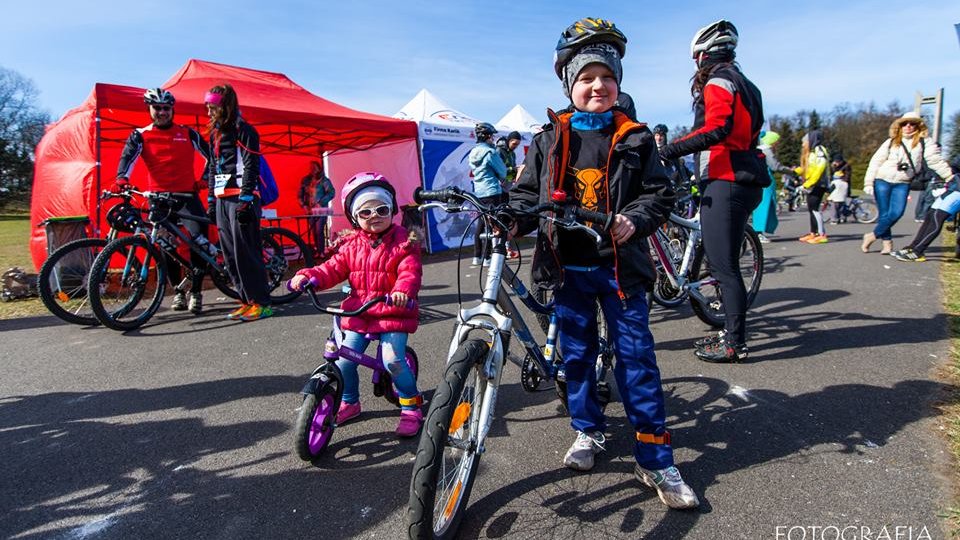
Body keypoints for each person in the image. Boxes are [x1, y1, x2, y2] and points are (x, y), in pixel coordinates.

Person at [510, 16, 697, 510]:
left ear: (619, 84)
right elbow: (527, 195)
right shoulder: (549, 138)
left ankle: (655, 458)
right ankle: (587, 431)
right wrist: (508, 221)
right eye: (587, 78)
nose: (597, 86)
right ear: (569, 83)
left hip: (621, 270)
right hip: (567, 268)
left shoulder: (635, 138)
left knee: (637, 361)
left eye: (607, 77)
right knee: (575, 357)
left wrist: (634, 220)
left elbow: (659, 195)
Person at [659, 19, 767, 364]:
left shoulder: (719, 81)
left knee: (724, 268)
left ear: (703, 56)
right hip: (742, 179)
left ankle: (734, 343)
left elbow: (717, 128)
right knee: (725, 262)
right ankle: (730, 331)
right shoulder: (748, 85)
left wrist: (665, 150)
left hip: (727, 178)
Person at [288, 172, 424, 436]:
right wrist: (309, 276)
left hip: (392, 310)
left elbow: (410, 273)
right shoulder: (351, 245)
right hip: (360, 312)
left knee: (393, 359)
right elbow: (332, 268)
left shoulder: (405, 242)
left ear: (392, 209)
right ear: (354, 217)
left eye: (382, 209)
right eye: (365, 212)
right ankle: (350, 400)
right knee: (343, 361)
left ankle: (411, 405)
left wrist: (402, 292)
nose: (374, 215)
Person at [115, 88, 211, 314]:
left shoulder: (187, 133)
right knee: (167, 249)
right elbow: (127, 158)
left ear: (172, 110)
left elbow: (212, 156)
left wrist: (205, 178)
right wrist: (122, 178)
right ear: (149, 109)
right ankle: (178, 292)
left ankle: (196, 292)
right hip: (159, 201)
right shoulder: (141, 134)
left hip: (188, 197)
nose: (162, 112)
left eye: (166, 108)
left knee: (199, 243)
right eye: (157, 108)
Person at [205, 83, 273, 321]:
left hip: (242, 199)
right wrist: (211, 200)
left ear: (225, 106)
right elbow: (213, 168)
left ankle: (262, 302)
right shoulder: (216, 133)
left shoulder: (245, 130)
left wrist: (245, 198)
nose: (209, 111)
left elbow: (252, 164)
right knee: (231, 254)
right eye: (207, 106)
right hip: (223, 199)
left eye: (213, 106)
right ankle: (246, 299)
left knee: (247, 252)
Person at [862, 112, 953, 254]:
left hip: (902, 182)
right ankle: (887, 244)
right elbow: (876, 162)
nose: (908, 126)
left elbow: (934, 160)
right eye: (905, 123)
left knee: (897, 213)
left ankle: (872, 235)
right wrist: (868, 182)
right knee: (885, 214)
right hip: (882, 180)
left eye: (912, 123)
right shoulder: (891, 141)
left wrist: (949, 176)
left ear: (918, 126)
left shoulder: (925, 142)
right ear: (900, 126)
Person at [891, 159, 960, 262]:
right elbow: (954, 165)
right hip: (953, 187)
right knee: (930, 215)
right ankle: (913, 247)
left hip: (957, 191)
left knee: (938, 217)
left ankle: (918, 251)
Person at [469, 122, 509, 266]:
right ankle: (487, 257)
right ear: (487, 137)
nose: (493, 138)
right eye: (492, 136)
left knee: (481, 222)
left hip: (479, 191)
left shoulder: (473, 152)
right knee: (493, 224)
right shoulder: (490, 152)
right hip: (492, 190)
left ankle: (477, 256)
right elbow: (503, 171)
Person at [795, 130, 831, 244]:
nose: (803, 144)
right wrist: (794, 172)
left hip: (819, 184)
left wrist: (807, 184)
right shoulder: (812, 152)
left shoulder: (819, 150)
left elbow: (819, 169)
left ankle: (822, 234)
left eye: (804, 141)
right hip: (812, 184)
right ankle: (813, 233)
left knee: (815, 209)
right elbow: (808, 169)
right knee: (811, 209)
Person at [752, 130, 788, 242]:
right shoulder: (767, 151)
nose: (777, 144)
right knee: (764, 205)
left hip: (759, 179)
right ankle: (758, 232)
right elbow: (775, 166)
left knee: (760, 205)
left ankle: (758, 231)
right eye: (776, 141)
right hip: (765, 180)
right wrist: (791, 171)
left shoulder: (759, 149)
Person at [298, 160, 336, 254]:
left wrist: (321, 202)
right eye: (311, 168)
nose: (313, 170)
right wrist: (304, 206)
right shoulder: (306, 180)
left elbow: (331, 192)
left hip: (321, 210)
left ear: (319, 169)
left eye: (314, 168)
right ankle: (318, 251)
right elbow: (300, 195)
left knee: (319, 230)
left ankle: (322, 252)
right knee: (314, 231)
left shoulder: (324, 180)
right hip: (310, 210)